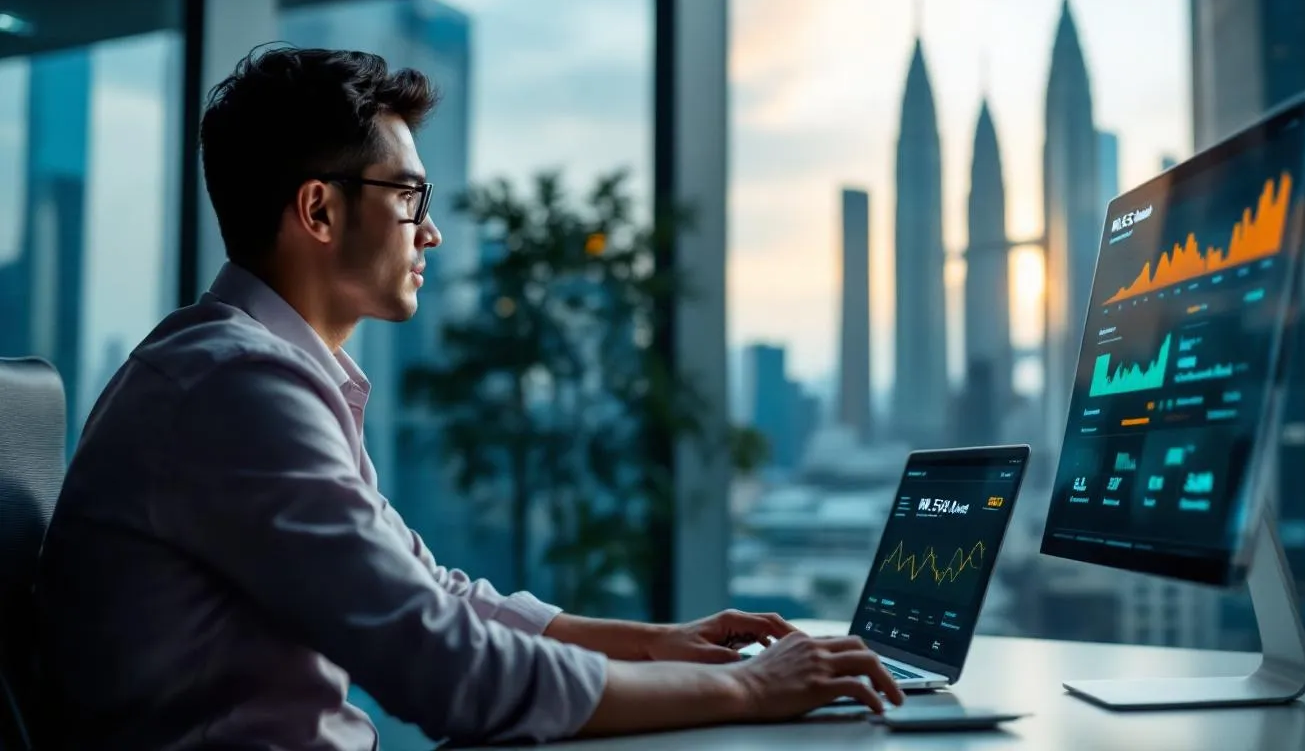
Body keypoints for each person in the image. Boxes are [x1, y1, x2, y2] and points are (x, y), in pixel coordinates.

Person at [32, 45, 903, 750]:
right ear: (319, 212)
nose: (432, 231)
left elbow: (433, 590)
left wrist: (656, 642)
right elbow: (445, 668)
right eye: (409, 196)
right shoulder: (237, 387)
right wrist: (750, 689)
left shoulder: (254, 371)